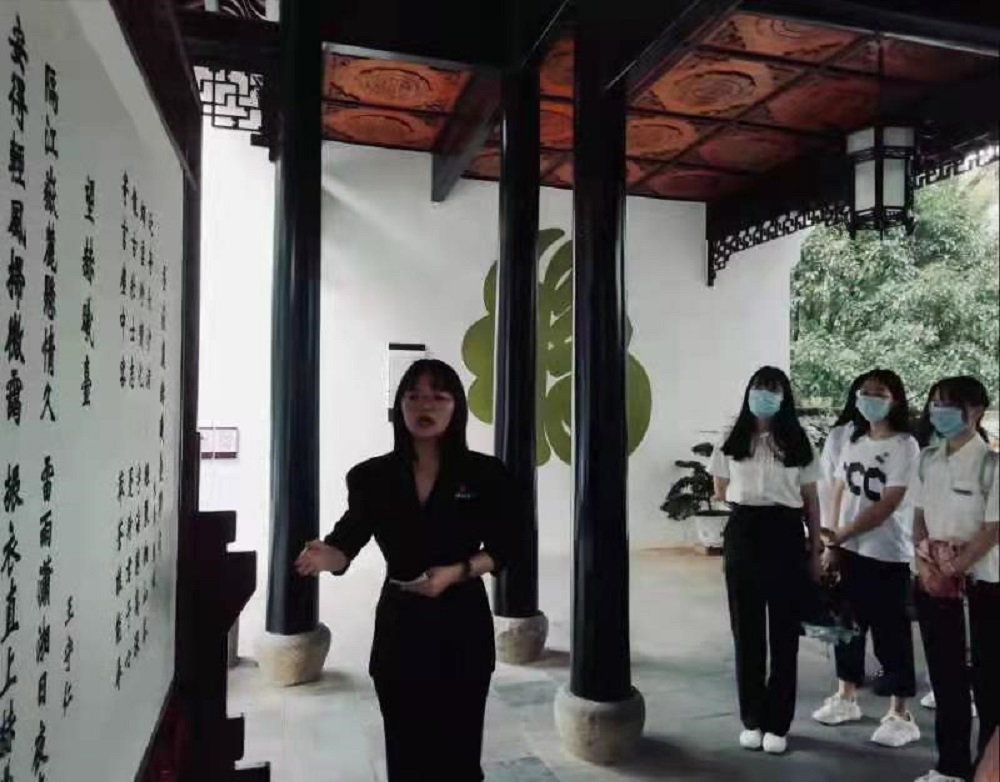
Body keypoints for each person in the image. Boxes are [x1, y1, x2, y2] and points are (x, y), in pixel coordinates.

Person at [294, 359, 517, 782]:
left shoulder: (485, 474)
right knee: (406, 749)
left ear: (456, 407)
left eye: (438, 396)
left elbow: (509, 547)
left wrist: (457, 571)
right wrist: (327, 557)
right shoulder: (372, 476)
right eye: (413, 396)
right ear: (399, 407)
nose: (424, 406)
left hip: (462, 623)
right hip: (401, 625)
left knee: (460, 752)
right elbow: (347, 543)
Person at [710, 366, 822, 756]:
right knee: (747, 630)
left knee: (784, 633)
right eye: (759, 388)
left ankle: (778, 722)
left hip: (786, 531)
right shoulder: (732, 436)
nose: (764, 395)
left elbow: (811, 500)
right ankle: (753, 718)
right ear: (749, 392)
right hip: (744, 530)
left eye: (773, 390)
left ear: (784, 397)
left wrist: (815, 551)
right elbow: (720, 487)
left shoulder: (798, 440)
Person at [813, 369, 922, 748]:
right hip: (849, 550)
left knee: (891, 634)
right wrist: (832, 541)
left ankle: (899, 713)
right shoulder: (854, 439)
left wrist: (842, 535)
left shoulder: (906, 445)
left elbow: (888, 503)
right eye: (864, 392)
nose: (869, 399)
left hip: (886, 552)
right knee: (846, 627)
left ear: (895, 400)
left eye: (879, 393)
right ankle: (846, 696)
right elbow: (838, 489)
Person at [911, 376, 998, 782]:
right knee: (946, 678)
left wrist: (953, 569)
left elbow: (993, 529)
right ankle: (950, 766)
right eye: (934, 404)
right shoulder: (928, 459)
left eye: (948, 405)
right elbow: (918, 517)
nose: (938, 412)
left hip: (984, 586)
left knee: (989, 681)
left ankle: (988, 768)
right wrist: (926, 564)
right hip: (934, 583)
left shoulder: (990, 464)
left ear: (976, 411)